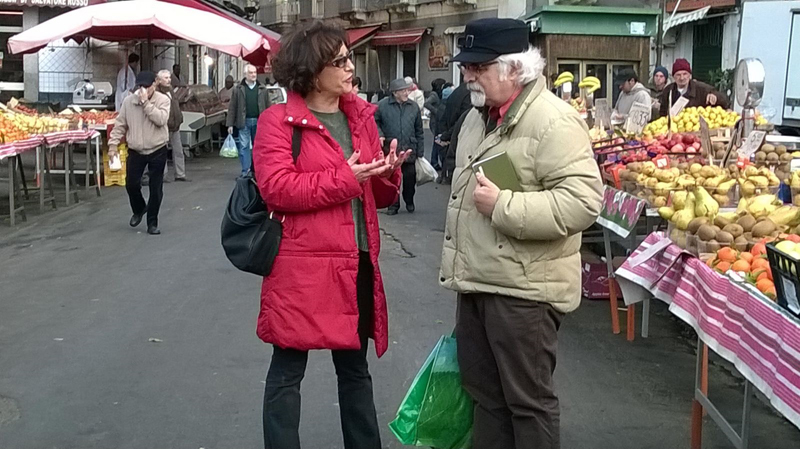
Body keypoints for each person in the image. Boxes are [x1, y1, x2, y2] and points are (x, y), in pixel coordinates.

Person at [441, 18, 603, 449]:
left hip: (526, 291)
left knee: (528, 404)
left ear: (516, 69)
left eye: (479, 66)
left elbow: (584, 202)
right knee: (486, 398)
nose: (468, 74)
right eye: (466, 65)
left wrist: (506, 207)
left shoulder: (554, 122)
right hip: (478, 281)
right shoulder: (478, 118)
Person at [253, 20, 409, 449]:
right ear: (312, 69)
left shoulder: (360, 117)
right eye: (339, 61)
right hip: (300, 266)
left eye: (349, 58)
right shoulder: (278, 122)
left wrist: (386, 173)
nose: (350, 68)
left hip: (355, 261)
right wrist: (346, 176)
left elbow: (370, 194)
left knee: (355, 370)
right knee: (288, 370)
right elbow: (277, 189)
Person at [108, 71, 172, 236]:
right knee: (131, 184)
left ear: (154, 85)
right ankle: (139, 208)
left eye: (147, 86)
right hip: (136, 149)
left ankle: (152, 222)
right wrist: (113, 145)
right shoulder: (129, 102)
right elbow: (120, 124)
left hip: (157, 148)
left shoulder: (163, 100)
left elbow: (161, 120)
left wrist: (146, 104)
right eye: (140, 86)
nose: (143, 90)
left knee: (155, 188)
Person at [374, 77, 424, 215]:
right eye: (403, 91)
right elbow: (374, 121)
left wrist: (420, 151)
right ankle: (393, 204)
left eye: (407, 90)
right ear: (395, 93)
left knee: (410, 177)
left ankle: (409, 199)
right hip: (391, 149)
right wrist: (380, 134)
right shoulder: (382, 106)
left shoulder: (413, 107)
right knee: (392, 179)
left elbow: (419, 129)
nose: (407, 93)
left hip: (409, 147)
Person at [226, 64, 272, 175]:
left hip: (259, 122)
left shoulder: (262, 89)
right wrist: (230, 124)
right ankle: (245, 171)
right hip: (244, 121)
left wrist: (270, 123)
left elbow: (268, 107)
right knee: (244, 146)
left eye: (255, 72)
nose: (253, 75)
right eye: (251, 73)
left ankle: (257, 171)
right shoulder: (238, 89)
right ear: (245, 74)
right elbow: (232, 107)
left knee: (258, 147)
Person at [658, 58, 729, 117]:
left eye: (685, 74)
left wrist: (715, 96)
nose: (682, 78)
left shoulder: (702, 89)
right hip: (675, 129)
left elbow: (724, 101)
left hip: (697, 129)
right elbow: (663, 113)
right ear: (673, 77)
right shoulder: (668, 91)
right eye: (678, 75)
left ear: (690, 75)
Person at [156, 70, 189, 182]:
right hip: (164, 125)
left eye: (169, 77)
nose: (169, 80)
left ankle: (180, 174)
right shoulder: (157, 92)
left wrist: (179, 118)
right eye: (166, 78)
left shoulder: (171, 90)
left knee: (178, 150)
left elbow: (175, 105)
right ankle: (163, 175)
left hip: (175, 125)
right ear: (159, 80)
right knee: (162, 152)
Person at [439, 82, 473, 183]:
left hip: (453, 136)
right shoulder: (469, 95)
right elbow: (463, 121)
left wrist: (444, 135)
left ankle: (445, 175)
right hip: (461, 138)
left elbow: (445, 117)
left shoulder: (456, 93)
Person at [424, 78, 447, 171]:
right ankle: (434, 162)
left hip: (436, 120)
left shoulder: (438, 94)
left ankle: (435, 161)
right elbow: (426, 103)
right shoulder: (434, 95)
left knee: (436, 141)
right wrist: (436, 111)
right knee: (437, 141)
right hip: (435, 121)